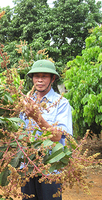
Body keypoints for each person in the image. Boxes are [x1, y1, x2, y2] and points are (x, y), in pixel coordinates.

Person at [20, 59, 73, 200]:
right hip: (27, 167)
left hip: (51, 171)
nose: (40, 80)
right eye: (36, 76)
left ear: (52, 79)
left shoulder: (62, 104)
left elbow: (57, 137)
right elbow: (20, 132)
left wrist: (37, 117)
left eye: (44, 76)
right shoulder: (26, 101)